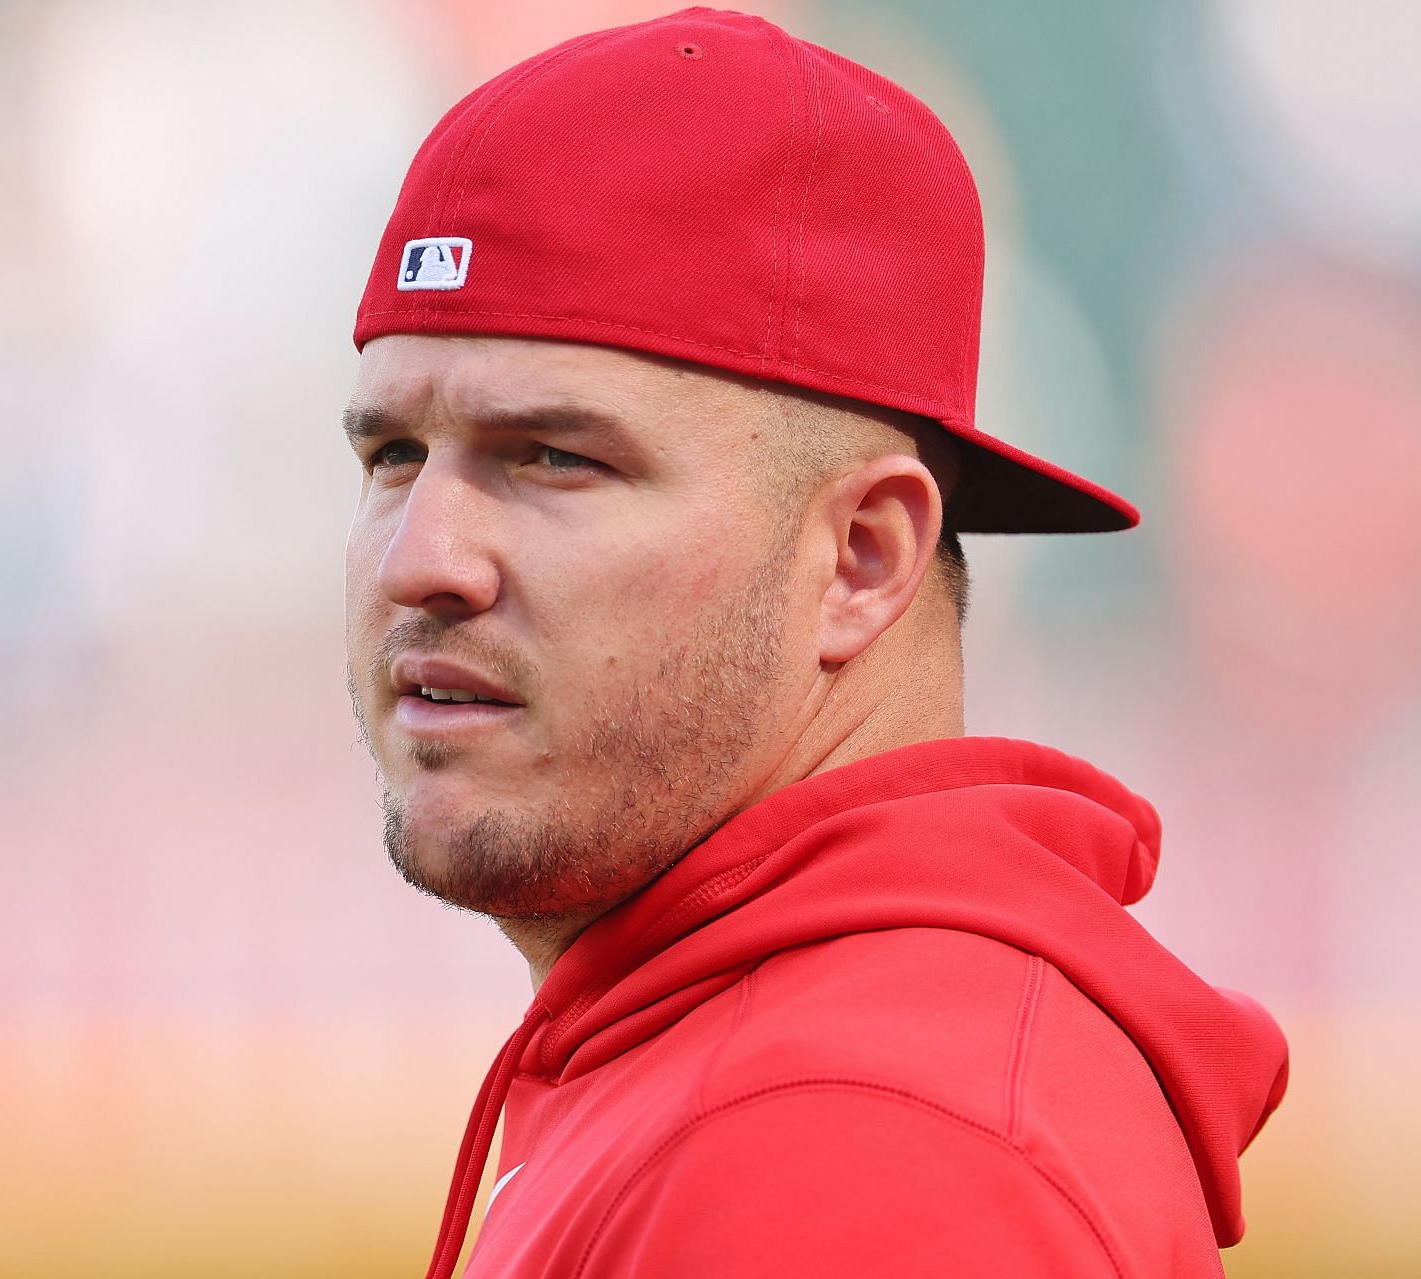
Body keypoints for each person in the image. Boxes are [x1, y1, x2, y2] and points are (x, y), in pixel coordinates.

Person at [340, 9, 1287, 1277]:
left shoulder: (855, 1145)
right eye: (393, 453)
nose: (421, 559)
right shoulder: (768, 1061)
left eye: (555, 456)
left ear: (862, 560)